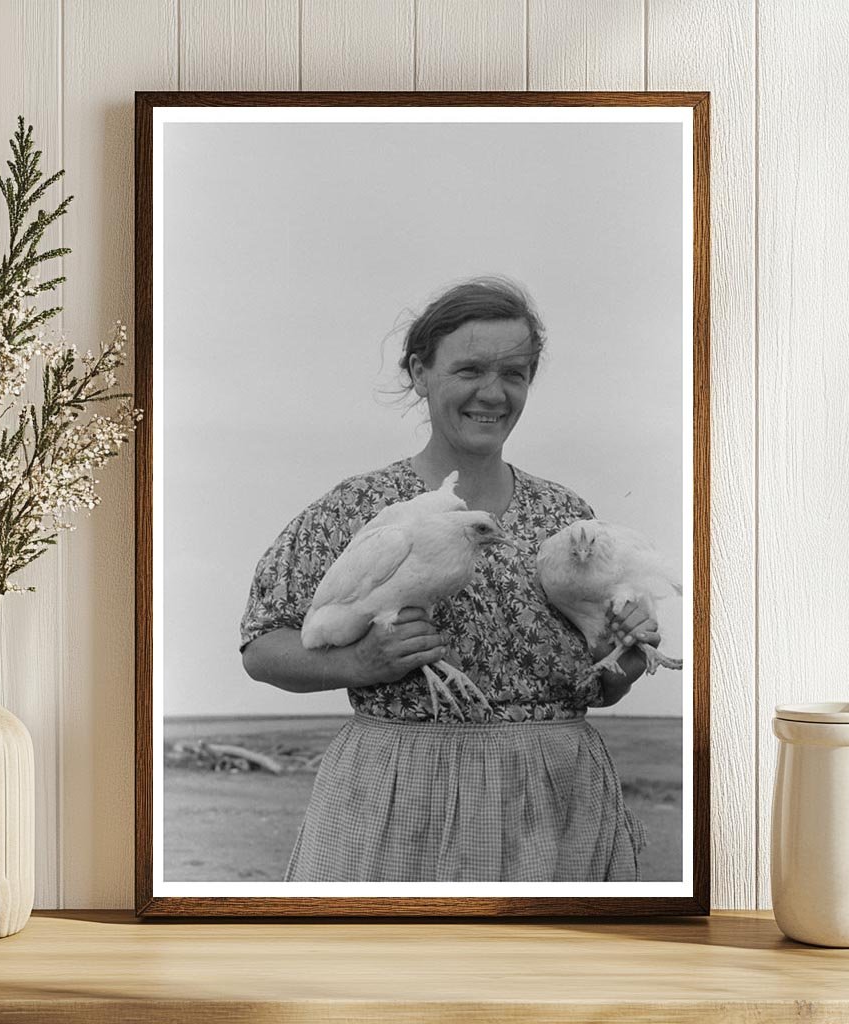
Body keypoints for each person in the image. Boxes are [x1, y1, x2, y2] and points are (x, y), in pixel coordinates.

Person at [240, 277, 658, 882]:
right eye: (470, 370)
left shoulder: (567, 517)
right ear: (420, 373)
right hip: (398, 794)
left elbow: (604, 685)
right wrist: (357, 664)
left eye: (515, 373)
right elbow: (261, 646)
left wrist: (624, 652)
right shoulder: (359, 508)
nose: (494, 392)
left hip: (556, 801)